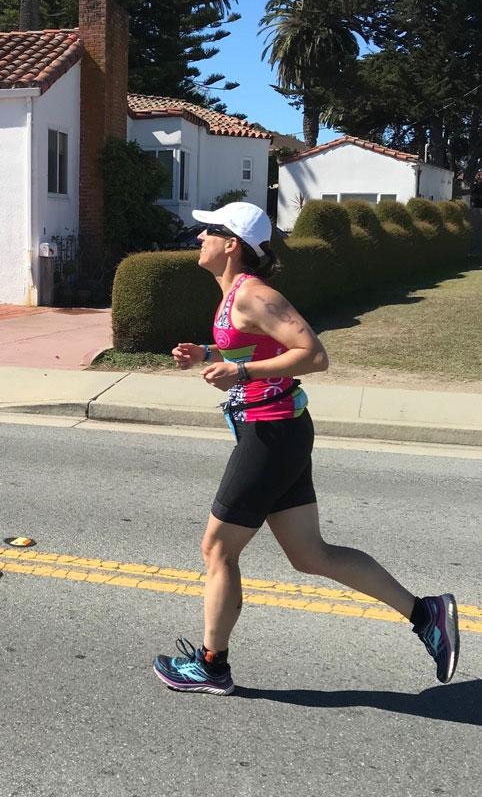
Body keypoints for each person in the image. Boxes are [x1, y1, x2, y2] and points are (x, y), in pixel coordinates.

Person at [153, 201, 460, 696]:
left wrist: (242, 373)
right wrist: (208, 356)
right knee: (310, 553)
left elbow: (314, 354)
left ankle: (212, 665)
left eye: (208, 231)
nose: (199, 238)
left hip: (271, 435)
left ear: (232, 244)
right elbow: (257, 348)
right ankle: (426, 613)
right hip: (277, 431)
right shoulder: (235, 295)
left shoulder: (255, 295)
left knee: (217, 548)